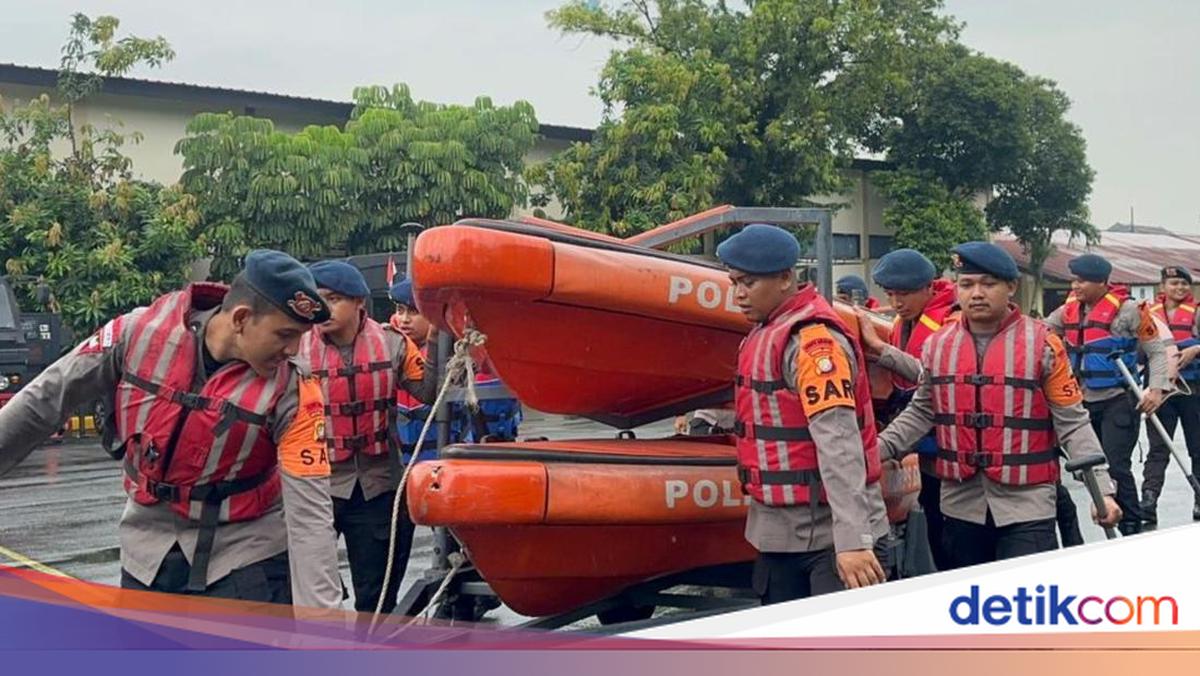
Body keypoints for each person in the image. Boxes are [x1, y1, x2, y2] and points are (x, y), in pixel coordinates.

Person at [0, 250, 343, 608]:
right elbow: (44, 401)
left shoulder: (295, 389)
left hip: (245, 557)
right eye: (285, 334)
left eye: (301, 337)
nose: (293, 350)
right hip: (147, 552)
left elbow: (310, 515)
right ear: (241, 318)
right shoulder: (135, 333)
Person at [875, 242, 1121, 567]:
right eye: (967, 284)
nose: (976, 293)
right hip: (960, 505)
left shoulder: (1044, 345)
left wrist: (1101, 489)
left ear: (1011, 287)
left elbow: (1072, 421)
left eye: (988, 284)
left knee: (1024, 607)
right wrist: (872, 453)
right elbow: (921, 412)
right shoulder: (938, 346)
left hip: (1027, 506)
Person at [716, 223, 890, 604]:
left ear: (784, 278)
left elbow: (839, 444)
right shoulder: (764, 333)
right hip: (780, 531)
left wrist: (853, 542)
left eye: (748, 283)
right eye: (735, 283)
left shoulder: (813, 344)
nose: (739, 294)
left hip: (830, 538)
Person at [298, 261, 435, 614]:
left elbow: (430, 392)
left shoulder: (394, 346)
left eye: (333, 298)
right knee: (309, 592)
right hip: (315, 488)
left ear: (359, 301)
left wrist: (440, 339)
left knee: (377, 598)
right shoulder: (295, 350)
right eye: (317, 299)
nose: (322, 308)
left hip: (378, 485)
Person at [1043, 253, 1171, 535]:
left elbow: (1156, 351)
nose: (1075, 286)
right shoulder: (1067, 312)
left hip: (1118, 399)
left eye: (1082, 281)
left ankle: (1132, 526)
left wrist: (1157, 388)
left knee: (1116, 466)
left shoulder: (1130, 310)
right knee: (1090, 468)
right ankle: (1106, 517)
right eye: (1074, 280)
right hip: (1084, 400)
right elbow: (1041, 332)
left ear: (1102, 282)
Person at [855, 248, 958, 569]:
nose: (898, 302)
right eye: (891, 294)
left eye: (905, 294)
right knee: (936, 531)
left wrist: (880, 349)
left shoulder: (953, 321)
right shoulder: (903, 322)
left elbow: (933, 376)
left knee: (955, 537)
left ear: (929, 288)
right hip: (923, 445)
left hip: (954, 450)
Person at [1141, 265, 1200, 524]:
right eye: (1174, 283)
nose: (1179, 288)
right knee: (1158, 449)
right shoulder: (1147, 314)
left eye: (1183, 284)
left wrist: (1196, 349)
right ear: (1162, 287)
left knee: (1197, 448)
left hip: (1193, 390)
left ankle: (1199, 498)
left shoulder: (1197, 312)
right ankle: (1149, 499)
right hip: (1160, 389)